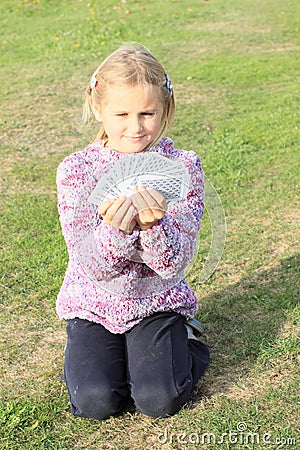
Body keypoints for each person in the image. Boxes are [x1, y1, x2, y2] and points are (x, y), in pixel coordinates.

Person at [56, 42, 210, 420]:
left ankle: (183, 339)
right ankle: (92, 351)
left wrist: (154, 224)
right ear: (98, 108)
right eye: (121, 113)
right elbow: (92, 264)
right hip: (93, 302)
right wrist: (117, 231)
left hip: (156, 301)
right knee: (93, 400)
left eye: (147, 113)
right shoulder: (77, 170)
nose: (135, 126)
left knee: (158, 399)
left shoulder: (183, 167)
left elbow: (173, 263)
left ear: (165, 109)